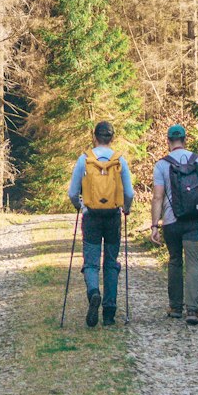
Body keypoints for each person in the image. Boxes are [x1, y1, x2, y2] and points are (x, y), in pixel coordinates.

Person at [68, 119, 134, 327]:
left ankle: (94, 292)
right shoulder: (119, 161)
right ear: (111, 138)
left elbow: (72, 192)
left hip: (92, 216)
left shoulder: (84, 160)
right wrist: (126, 207)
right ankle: (109, 312)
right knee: (111, 263)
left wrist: (79, 205)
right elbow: (129, 192)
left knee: (91, 261)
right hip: (113, 216)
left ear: (95, 137)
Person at [150, 123, 198, 325]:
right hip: (195, 220)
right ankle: (193, 311)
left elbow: (157, 197)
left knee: (175, 261)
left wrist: (155, 224)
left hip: (172, 222)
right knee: (193, 263)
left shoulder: (162, 165)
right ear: (185, 139)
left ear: (168, 141)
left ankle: (175, 307)